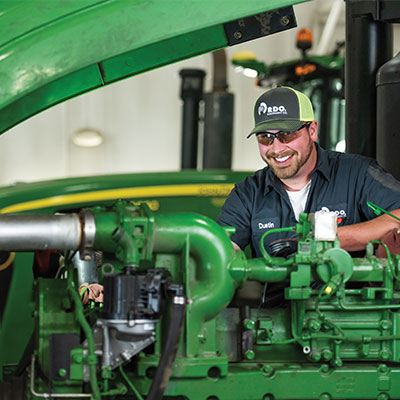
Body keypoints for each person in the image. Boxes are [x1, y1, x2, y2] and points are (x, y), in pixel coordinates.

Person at [217, 86, 400, 258]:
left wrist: (328, 238)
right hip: (277, 293)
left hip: (347, 292)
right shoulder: (248, 194)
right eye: (266, 137)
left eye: (286, 134)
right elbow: (220, 250)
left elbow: (397, 216)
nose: (277, 148)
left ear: (312, 130)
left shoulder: (356, 174)